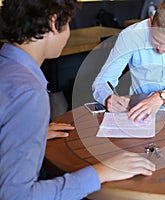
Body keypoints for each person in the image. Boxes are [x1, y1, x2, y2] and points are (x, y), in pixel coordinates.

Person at [0, 0, 155, 199]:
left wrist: (27, 131)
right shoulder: (28, 92)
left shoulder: (7, 68)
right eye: (69, 25)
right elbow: (15, 195)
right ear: (54, 23)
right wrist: (101, 172)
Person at [92, 0, 165, 122]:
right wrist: (108, 98)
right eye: (156, 40)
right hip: (139, 108)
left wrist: (159, 98)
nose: (160, 49)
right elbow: (102, 82)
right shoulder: (130, 35)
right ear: (151, 21)